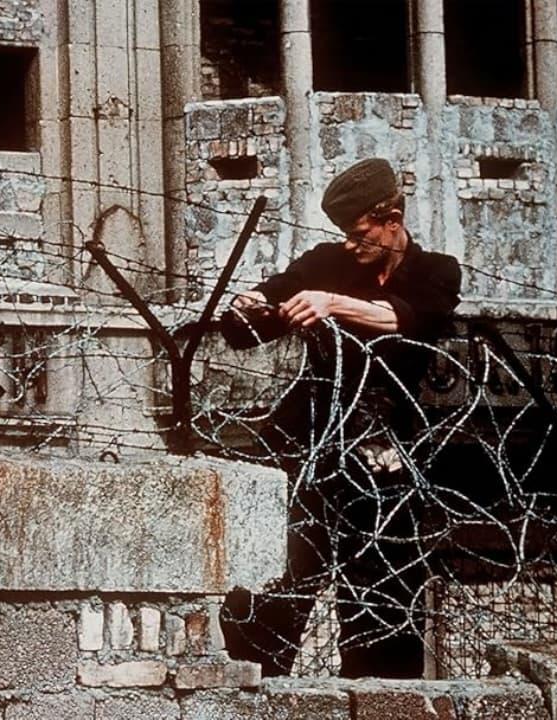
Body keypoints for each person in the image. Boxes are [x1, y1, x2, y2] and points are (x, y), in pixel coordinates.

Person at [218, 158, 462, 678]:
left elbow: (406, 319)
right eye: (344, 235)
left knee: (380, 606)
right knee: (274, 590)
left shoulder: (436, 271)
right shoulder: (327, 261)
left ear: (392, 217)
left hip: (384, 455)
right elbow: (256, 316)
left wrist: (332, 303)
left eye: (359, 233)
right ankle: (251, 693)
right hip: (307, 448)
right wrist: (251, 306)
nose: (350, 245)